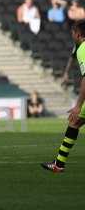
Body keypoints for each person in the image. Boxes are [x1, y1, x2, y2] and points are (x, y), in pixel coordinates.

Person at [42, 20, 85, 173]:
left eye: (73, 32)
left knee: (74, 120)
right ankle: (59, 164)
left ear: (78, 34)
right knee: (75, 122)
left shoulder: (83, 49)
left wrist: (78, 105)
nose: (71, 35)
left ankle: (59, 164)